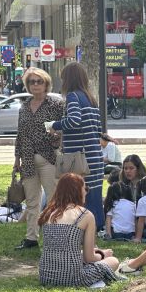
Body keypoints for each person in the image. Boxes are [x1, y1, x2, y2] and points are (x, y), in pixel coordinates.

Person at [49, 62, 105, 229]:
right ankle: (98, 227)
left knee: (80, 194)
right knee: (94, 194)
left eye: (63, 78)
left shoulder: (73, 96)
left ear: (69, 79)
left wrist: (55, 125)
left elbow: (73, 120)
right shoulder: (90, 98)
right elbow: (97, 129)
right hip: (94, 155)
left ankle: (84, 229)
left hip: (79, 157)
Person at [14, 68, 65, 250]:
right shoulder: (24, 106)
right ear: (28, 85)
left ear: (46, 84)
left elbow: (64, 129)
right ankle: (31, 238)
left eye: (39, 81)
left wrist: (57, 137)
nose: (36, 85)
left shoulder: (56, 105)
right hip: (27, 158)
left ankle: (54, 238)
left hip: (49, 157)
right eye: (32, 82)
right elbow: (20, 135)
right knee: (31, 201)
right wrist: (16, 159)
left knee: (53, 199)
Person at [38, 173, 119, 287]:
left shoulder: (49, 213)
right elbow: (89, 258)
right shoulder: (85, 215)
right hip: (73, 277)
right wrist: (102, 254)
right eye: (84, 188)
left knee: (80, 254)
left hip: (46, 276)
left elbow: (63, 248)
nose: (86, 192)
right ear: (78, 191)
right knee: (113, 261)